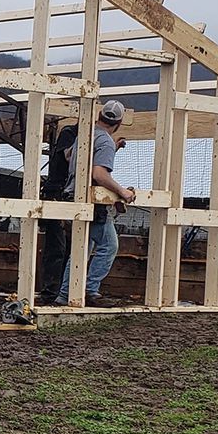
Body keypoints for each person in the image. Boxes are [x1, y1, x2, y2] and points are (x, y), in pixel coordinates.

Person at [52, 100, 136, 307]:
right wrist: (123, 192)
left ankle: (65, 295)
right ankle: (90, 290)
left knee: (81, 248)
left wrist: (112, 149)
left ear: (99, 115)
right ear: (119, 123)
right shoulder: (105, 141)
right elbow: (98, 174)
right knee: (109, 245)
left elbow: (69, 156)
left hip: (72, 196)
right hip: (91, 203)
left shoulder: (85, 136)